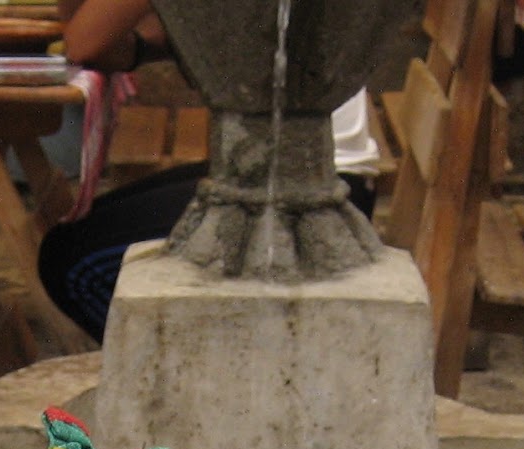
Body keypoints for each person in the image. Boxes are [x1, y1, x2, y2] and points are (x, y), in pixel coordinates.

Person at [39, 0, 380, 342]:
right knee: (71, 238)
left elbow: (83, 41)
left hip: (309, 187)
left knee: (74, 267)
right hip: (281, 164)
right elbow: (102, 43)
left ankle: (182, 378)